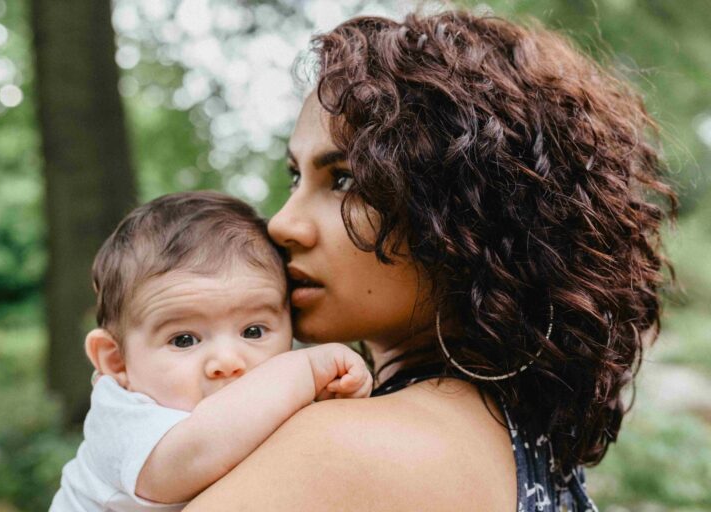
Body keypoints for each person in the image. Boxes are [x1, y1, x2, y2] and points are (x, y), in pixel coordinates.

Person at [184, 10, 676, 512]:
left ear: (467, 211)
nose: (282, 225)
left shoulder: (343, 451)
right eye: (295, 177)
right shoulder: (526, 450)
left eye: (347, 180)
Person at [50, 191, 373, 511]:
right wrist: (307, 371)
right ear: (116, 360)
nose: (228, 362)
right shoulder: (122, 417)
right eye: (184, 340)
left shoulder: (250, 409)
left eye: (253, 331)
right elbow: (192, 454)